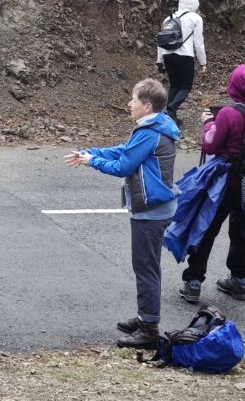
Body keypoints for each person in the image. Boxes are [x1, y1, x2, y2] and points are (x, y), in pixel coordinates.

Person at [65, 79, 181, 349]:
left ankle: (149, 329)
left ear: (147, 105)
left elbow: (123, 166)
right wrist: (90, 152)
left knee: (146, 269)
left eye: (133, 99)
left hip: (151, 211)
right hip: (152, 209)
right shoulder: (152, 128)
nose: (130, 104)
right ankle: (145, 317)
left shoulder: (151, 132)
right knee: (145, 267)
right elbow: (124, 150)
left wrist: (91, 160)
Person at [181, 64, 245, 304]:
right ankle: (239, 280)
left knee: (208, 227)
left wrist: (207, 123)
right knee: (240, 229)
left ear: (232, 85)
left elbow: (210, 144)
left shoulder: (228, 114)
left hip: (226, 182)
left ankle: (193, 282)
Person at [156, 0, 206, 122]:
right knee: (185, 86)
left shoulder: (169, 18)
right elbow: (198, 43)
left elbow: (161, 41)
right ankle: (171, 110)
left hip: (168, 55)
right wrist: (203, 63)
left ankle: (170, 117)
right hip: (185, 56)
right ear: (195, 3)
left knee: (174, 85)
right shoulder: (195, 18)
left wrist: (159, 60)